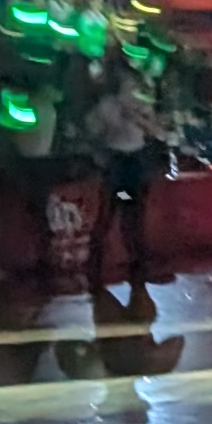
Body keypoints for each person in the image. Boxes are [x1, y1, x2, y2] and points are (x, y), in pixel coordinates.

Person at [85, 76, 161, 287]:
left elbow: (157, 132)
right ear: (119, 88)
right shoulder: (107, 106)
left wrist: (140, 119)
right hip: (117, 165)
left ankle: (139, 268)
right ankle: (94, 268)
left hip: (134, 166)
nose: (132, 93)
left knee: (133, 217)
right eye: (129, 87)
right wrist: (101, 152)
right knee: (108, 215)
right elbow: (91, 130)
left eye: (134, 88)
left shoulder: (142, 106)